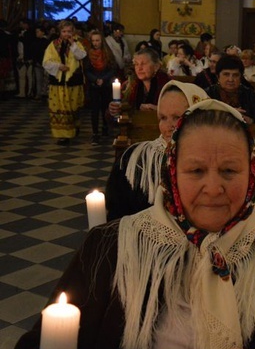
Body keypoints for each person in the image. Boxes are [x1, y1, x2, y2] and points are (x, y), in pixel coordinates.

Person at [14, 99, 255, 349]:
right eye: (196, 171)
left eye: (229, 172)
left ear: (251, 172)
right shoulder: (112, 244)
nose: (213, 188)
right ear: (172, 172)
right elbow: (36, 343)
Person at [105, 81, 208, 220]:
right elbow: (117, 216)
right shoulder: (133, 159)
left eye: (177, 117)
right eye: (163, 118)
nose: (168, 126)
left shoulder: (217, 161)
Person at [43, 20, 88, 145]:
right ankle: (63, 135)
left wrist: (73, 44)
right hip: (58, 81)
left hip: (73, 80)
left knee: (73, 107)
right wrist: (58, 66)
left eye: (69, 31)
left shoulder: (78, 43)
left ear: (73, 32)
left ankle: (74, 127)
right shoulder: (53, 44)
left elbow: (82, 56)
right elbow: (46, 61)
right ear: (60, 32)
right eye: (64, 31)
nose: (66, 34)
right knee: (59, 107)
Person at [206, 55, 255, 125]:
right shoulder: (208, 94)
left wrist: (250, 120)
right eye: (226, 74)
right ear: (218, 76)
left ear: (241, 77)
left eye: (235, 75)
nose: (231, 79)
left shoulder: (250, 95)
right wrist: (228, 114)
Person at [109, 48, 171, 116]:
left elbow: (176, 111)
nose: (139, 68)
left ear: (156, 66)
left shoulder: (167, 86)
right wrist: (114, 109)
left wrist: (159, 110)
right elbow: (121, 110)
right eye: (136, 64)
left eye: (143, 64)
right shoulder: (129, 85)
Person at [84, 30, 117, 145]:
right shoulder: (88, 54)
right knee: (94, 110)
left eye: (97, 40)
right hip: (94, 85)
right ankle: (95, 133)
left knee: (105, 107)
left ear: (101, 41)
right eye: (93, 41)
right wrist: (95, 79)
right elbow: (86, 69)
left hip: (105, 84)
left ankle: (105, 127)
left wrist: (103, 79)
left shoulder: (107, 53)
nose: (95, 43)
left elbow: (112, 68)